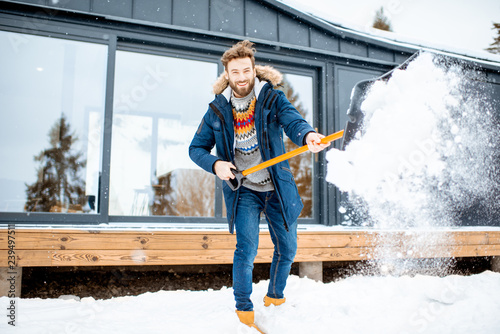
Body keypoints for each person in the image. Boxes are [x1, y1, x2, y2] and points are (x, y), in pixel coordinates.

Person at [189, 40, 329, 333]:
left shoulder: (271, 99)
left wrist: (308, 136)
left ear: (254, 70)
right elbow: (196, 148)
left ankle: (275, 299)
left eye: (246, 70)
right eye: (235, 72)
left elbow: (292, 121)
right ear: (227, 74)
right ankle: (243, 308)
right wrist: (216, 165)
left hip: (276, 187)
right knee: (246, 248)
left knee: (288, 247)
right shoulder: (217, 110)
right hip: (244, 191)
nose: (241, 77)